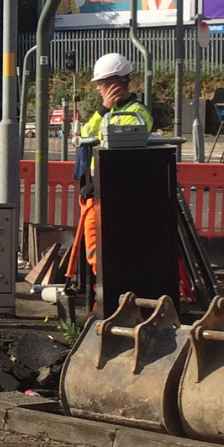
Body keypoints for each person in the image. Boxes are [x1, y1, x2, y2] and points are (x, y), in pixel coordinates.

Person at [69, 52, 152, 282]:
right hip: (102, 187)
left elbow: (122, 153)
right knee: (97, 241)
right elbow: (85, 135)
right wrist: (104, 109)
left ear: (116, 84)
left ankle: (107, 290)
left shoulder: (137, 113)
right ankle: (102, 288)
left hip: (118, 190)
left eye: (102, 84)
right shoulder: (110, 112)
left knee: (100, 240)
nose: (98, 89)